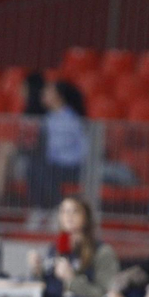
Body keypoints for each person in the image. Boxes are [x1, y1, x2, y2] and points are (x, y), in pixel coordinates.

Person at [29, 80, 87, 210]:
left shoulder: (73, 119)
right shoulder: (47, 118)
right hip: (53, 165)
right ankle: (40, 209)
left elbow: (84, 146)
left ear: (58, 96)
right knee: (33, 168)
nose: (43, 94)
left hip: (71, 166)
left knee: (43, 171)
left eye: (48, 92)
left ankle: (57, 208)